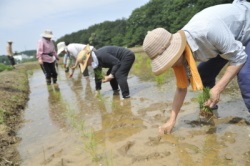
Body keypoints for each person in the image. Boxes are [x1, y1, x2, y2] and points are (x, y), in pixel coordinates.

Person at [142, 0, 250, 134]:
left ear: (176, 50)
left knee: (246, 76)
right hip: (222, 43)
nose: (171, 66)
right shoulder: (181, 55)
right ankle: (210, 113)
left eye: (169, 61)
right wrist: (171, 121)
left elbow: (239, 57)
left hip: (245, 28)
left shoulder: (207, 31)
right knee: (203, 75)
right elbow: (181, 89)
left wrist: (218, 88)